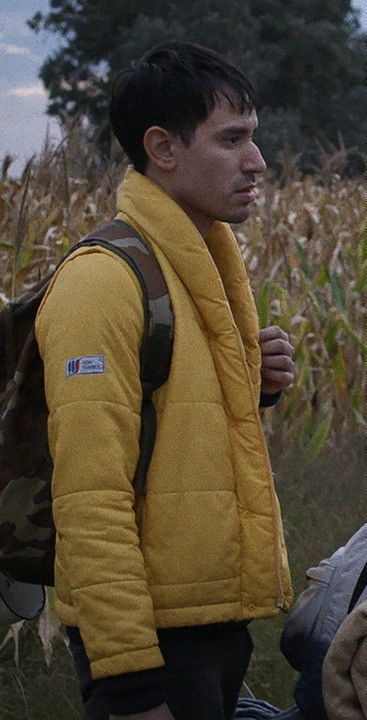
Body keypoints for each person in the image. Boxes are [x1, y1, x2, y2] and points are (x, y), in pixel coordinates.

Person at [36, 42, 297, 720]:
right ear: (163, 148)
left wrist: (255, 388)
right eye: (231, 140)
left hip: (208, 626)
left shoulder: (196, 264)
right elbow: (89, 500)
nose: (256, 161)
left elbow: (176, 426)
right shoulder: (102, 282)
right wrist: (130, 685)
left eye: (253, 137)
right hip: (151, 648)